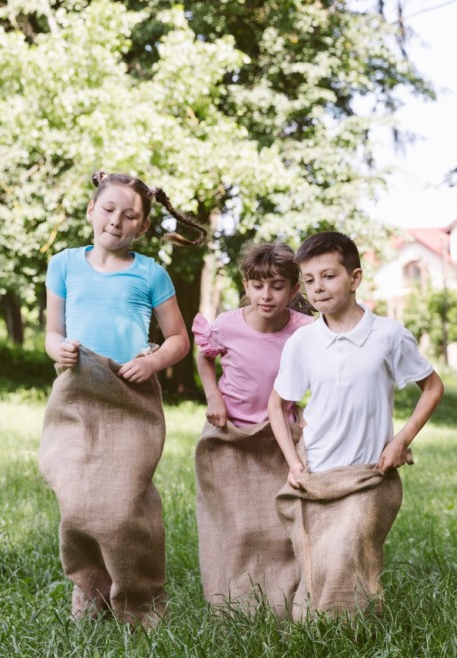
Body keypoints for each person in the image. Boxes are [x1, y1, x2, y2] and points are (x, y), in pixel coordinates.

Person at [38, 170, 207, 628]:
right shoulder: (65, 264)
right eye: (108, 209)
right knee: (78, 504)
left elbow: (178, 339)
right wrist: (60, 348)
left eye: (130, 215)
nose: (116, 220)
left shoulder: (151, 273)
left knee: (123, 506)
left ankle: (138, 604)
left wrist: (152, 363)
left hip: (130, 396)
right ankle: (90, 597)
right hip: (78, 390)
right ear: (92, 211)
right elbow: (53, 333)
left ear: (143, 227)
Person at [267, 231, 444, 619]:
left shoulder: (388, 336)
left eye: (328, 276)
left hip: (369, 472)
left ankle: (353, 628)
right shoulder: (303, 342)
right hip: (318, 470)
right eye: (309, 281)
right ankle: (318, 627)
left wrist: (401, 440)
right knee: (322, 556)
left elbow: (432, 388)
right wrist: (293, 463)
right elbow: (278, 403)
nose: (318, 288)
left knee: (350, 546)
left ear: (355, 277)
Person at [191, 243, 313, 616]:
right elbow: (204, 357)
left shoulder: (306, 330)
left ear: (294, 290)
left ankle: (279, 596)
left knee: (276, 523)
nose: (267, 295)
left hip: (277, 438)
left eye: (277, 286)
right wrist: (214, 398)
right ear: (246, 284)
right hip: (230, 434)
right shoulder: (228, 324)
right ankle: (230, 597)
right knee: (235, 523)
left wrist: (311, 412)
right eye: (258, 285)